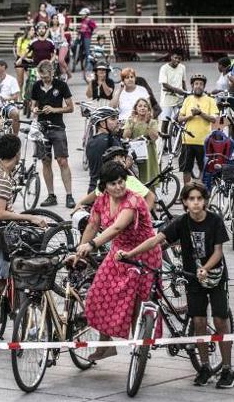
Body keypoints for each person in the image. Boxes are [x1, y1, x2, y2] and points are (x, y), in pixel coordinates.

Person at [115, 181, 232, 387]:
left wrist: (205, 268)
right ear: (185, 203)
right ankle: (204, 366)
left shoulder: (214, 221)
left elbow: (218, 251)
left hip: (215, 277)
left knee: (221, 319)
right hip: (193, 277)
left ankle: (227, 369)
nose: (195, 203)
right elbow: (155, 240)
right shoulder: (182, 222)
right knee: (198, 322)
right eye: (191, 199)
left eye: (199, 199)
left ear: (204, 201)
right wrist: (130, 254)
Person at [74, 162, 162, 361]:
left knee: (136, 304)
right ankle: (106, 344)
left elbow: (116, 228)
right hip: (118, 254)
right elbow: (93, 224)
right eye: (113, 183)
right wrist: (80, 249)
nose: (119, 187)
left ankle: (140, 350)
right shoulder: (102, 201)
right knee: (97, 294)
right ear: (104, 186)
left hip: (143, 253)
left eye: (121, 182)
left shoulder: (133, 200)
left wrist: (92, 245)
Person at [0, 134, 47, 342]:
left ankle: (25, 323)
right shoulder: (2, 178)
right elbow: (0, 213)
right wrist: (29, 217)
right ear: (17, 154)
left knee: (14, 279)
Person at [31, 60, 75, 208]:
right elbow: (33, 104)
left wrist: (54, 109)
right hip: (42, 128)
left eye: (46, 77)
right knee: (45, 161)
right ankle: (51, 195)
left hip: (57, 127)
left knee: (62, 161)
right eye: (42, 77)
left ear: (52, 73)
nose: (44, 80)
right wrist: (35, 110)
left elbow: (70, 108)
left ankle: (69, 195)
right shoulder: (36, 86)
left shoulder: (61, 85)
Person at [73, 145, 156, 211]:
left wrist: (144, 216)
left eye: (123, 158)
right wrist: (80, 203)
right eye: (121, 158)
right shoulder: (104, 180)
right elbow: (95, 193)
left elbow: (150, 196)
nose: (123, 160)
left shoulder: (129, 180)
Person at [179, 73, 218, 184]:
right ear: (192, 85)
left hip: (204, 141)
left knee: (203, 168)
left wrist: (200, 113)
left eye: (201, 84)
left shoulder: (210, 100)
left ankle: (199, 192)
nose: (198, 86)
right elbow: (179, 118)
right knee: (186, 169)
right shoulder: (188, 100)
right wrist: (190, 116)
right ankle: (186, 193)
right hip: (187, 140)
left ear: (204, 86)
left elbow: (214, 119)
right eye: (196, 83)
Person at [123, 98, 160, 185]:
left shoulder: (152, 122)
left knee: (150, 181)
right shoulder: (130, 120)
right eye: (140, 106)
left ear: (148, 109)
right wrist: (132, 123)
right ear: (136, 109)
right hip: (135, 154)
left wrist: (147, 123)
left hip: (149, 154)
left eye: (145, 106)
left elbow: (154, 137)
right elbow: (125, 135)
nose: (142, 108)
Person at [85, 106, 121, 193]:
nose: (117, 121)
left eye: (117, 118)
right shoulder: (111, 140)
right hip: (108, 191)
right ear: (102, 123)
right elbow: (121, 167)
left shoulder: (91, 141)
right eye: (113, 119)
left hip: (93, 189)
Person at [158, 52, 188, 134]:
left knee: (181, 120)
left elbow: (183, 81)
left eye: (179, 59)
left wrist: (186, 94)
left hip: (179, 99)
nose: (177, 60)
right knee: (165, 122)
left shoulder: (182, 67)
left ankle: (178, 142)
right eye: (175, 58)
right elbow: (164, 85)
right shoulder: (164, 68)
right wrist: (177, 90)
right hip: (167, 99)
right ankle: (164, 143)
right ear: (171, 57)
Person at [14, 25, 35, 90]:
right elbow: (18, 52)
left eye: (34, 30)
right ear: (28, 31)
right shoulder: (20, 39)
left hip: (30, 59)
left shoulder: (34, 40)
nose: (34, 31)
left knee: (31, 80)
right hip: (21, 59)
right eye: (32, 30)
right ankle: (19, 97)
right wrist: (25, 59)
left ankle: (28, 95)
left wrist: (31, 59)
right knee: (20, 81)